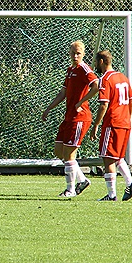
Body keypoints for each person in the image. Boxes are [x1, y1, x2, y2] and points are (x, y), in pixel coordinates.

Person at [42, 40, 99, 197]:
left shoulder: (84, 69)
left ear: (83, 54)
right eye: (73, 53)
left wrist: (81, 102)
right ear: (69, 53)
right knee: (59, 151)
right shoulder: (70, 70)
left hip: (80, 117)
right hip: (69, 117)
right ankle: (82, 180)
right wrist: (49, 108)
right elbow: (63, 93)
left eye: (78, 53)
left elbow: (96, 85)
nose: (75, 56)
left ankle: (71, 189)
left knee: (69, 154)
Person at [85, 50, 132, 202]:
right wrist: (127, 116)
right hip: (125, 123)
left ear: (101, 61)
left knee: (108, 158)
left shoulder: (105, 79)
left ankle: (111, 195)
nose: (96, 65)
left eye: (96, 62)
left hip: (113, 123)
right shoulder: (123, 77)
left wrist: (96, 124)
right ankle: (130, 183)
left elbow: (104, 105)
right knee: (118, 157)